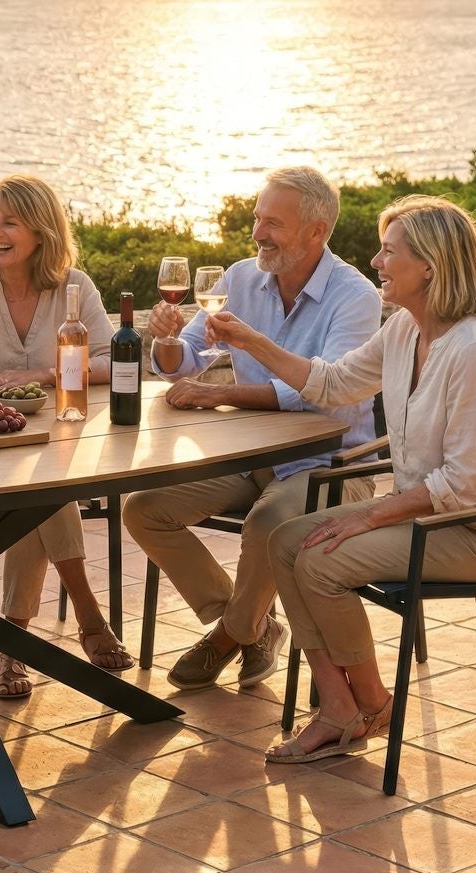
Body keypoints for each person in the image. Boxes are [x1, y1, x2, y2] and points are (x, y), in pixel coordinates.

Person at [206, 195, 476, 763]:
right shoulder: (407, 329)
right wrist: (251, 341)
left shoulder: (474, 351)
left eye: (389, 252)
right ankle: (338, 707)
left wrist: (367, 514)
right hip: (431, 516)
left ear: (427, 265)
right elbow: (333, 383)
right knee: (285, 540)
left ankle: (374, 704)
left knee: (322, 559)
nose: (377, 263)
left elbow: (459, 483)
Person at [120, 166, 380, 689]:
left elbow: (325, 389)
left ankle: (228, 636)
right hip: (252, 456)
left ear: (316, 231)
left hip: (332, 464)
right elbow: (185, 359)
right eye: (258, 218)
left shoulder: (355, 296)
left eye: (274, 223)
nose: (259, 232)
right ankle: (250, 625)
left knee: (269, 524)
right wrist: (167, 339)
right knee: (145, 508)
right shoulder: (240, 278)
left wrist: (221, 393)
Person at [0, 174, 134, 696]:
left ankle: (14, 646)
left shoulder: (73, 287)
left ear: (41, 230)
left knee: (40, 488)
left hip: (50, 443)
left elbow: (114, 360)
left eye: (9, 222)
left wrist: (45, 375)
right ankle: (87, 617)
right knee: (45, 492)